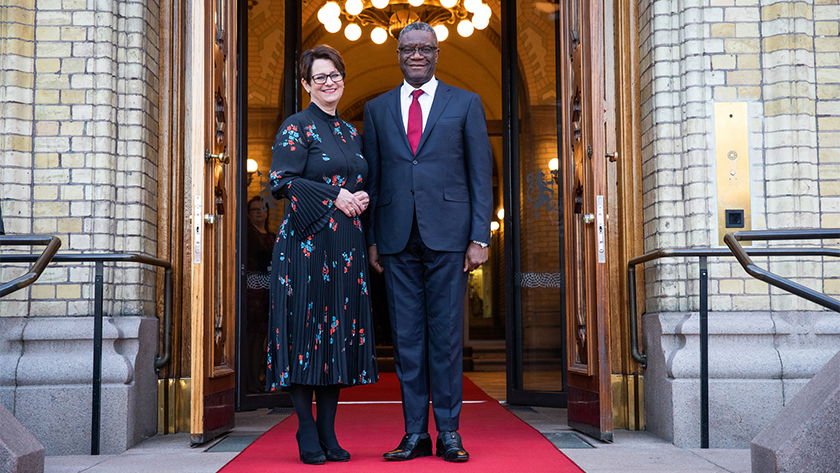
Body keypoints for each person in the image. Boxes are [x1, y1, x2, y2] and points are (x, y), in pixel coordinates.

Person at [362, 22, 493, 463]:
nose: (416, 55)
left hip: (450, 237)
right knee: (407, 341)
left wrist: (480, 236)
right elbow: (375, 180)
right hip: (397, 238)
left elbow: (480, 175)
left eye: (425, 48)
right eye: (408, 49)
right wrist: (374, 240)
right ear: (397, 54)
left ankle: (450, 433)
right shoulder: (378, 109)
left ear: (437, 54)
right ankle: (415, 433)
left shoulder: (466, 102)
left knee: (446, 339)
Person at [266, 44, 378, 465]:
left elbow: (358, 181)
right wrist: (337, 195)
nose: (329, 83)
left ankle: (329, 431)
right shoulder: (296, 127)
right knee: (303, 334)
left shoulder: (352, 133)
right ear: (306, 84)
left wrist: (360, 197)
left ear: (342, 79)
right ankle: (306, 427)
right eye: (320, 78)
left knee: (334, 336)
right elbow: (282, 181)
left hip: (344, 248)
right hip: (304, 246)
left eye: (335, 76)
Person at [245, 196, 274, 394]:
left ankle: (259, 378)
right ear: (248, 214)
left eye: (262, 208)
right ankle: (249, 380)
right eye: (254, 209)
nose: (259, 212)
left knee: (263, 336)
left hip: (269, 290)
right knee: (251, 336)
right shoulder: (247, 236)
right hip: (253, 289)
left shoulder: (273, 236)